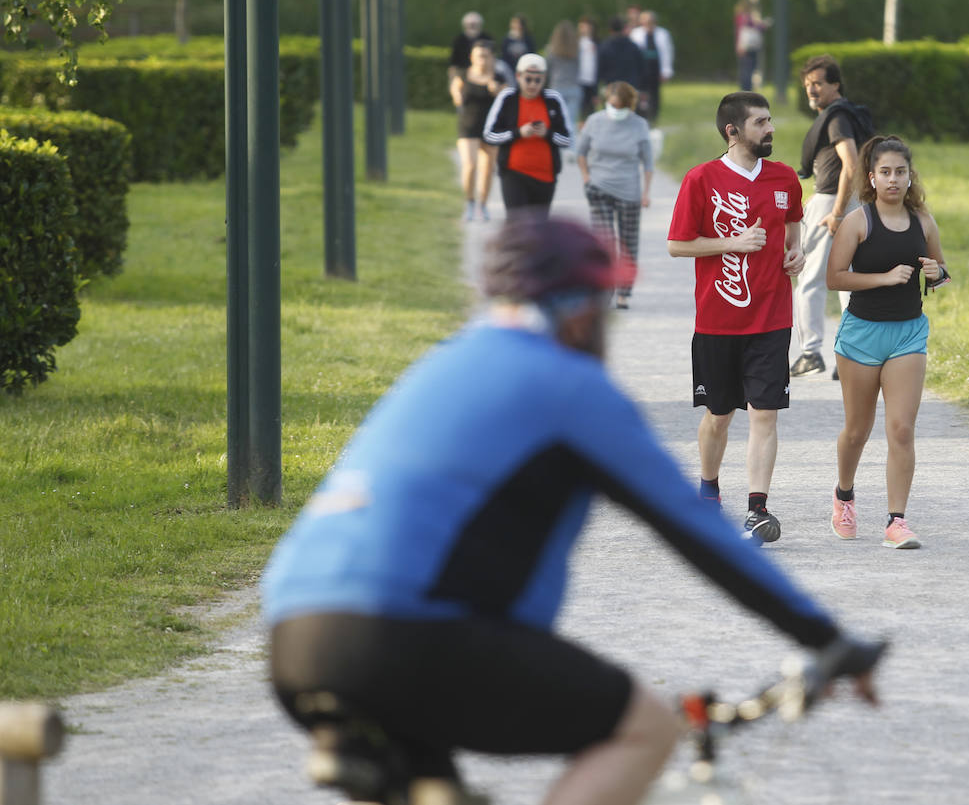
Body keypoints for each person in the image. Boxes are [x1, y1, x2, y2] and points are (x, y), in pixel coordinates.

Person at [262, 217, 883, 805]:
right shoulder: (567, 386)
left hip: (293, 637)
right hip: (407, 634)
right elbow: (695, 531)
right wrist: (826, 639)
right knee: (644, 728)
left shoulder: (443, 361)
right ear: (583, 310)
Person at [667, 92, 805, 543]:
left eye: (769, 120)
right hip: (717, 322)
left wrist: (796, 251)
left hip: (772, 318)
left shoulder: (785, 178)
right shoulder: (701, 179)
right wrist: (732, 243)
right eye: (760, 122)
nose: (770, 129)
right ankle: (708, 493)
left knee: (765, 415)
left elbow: (792, 223)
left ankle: (757, 510)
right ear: (732, 131)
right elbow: (677, 245)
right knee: (719, 415)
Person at [825, 135, 950, 550]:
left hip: (907, 333)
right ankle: (844, 496)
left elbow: (941, 270)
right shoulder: (858, 221)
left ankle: (897, 521)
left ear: (910, 176)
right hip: (862, 334)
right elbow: (834, 278)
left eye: (900, 172)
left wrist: (936, 273)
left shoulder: (923, 221)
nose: (893, 179)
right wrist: (883, 278)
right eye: (885, 172)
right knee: (857, 430)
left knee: (901, 428)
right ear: (872, 178)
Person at [791, 54, 865, 380]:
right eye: (808, 84)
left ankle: (810, 353)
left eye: (818, 83)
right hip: (851, 202)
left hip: (835, 206)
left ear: (835, 85)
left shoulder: (837, 118)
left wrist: (834, 212)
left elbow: (851, 164)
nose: (812, 90)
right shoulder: (847, 114)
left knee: (810, 280)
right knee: (848, 280)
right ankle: (850, 355)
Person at [578, 82, 653, 310]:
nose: (615, 110)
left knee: (628, 243)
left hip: (629, 192)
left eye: (620, 106)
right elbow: (581, 153)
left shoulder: (639, 125)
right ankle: (604, 291)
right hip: (599, 188)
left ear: (629, 105)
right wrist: (586, 179)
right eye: (612, 105)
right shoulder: (594, 121)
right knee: (603, 243)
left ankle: (624, 292)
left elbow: (648, 162)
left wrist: (646, 193)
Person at [483, 53, 573, 218]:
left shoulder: (553, 99)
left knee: (539, 227)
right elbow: (489, 135)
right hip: (514, 173)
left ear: (544, 79)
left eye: (538, 80)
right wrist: (518, 133)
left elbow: (568, 139)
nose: (533, 85)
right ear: (518, 76)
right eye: (528, 79)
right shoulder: (507, 97)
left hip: (545, 176)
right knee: (517, 224)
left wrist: (547, 133)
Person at [450, 40, 507, 222]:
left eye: (486, 56)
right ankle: (469, 202)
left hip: (491, 127)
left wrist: (496, 91)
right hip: (468, 125)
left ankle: (483, 204)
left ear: (492, 58)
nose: (482, 60)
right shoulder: (463, 75)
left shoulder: (498, 78)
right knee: (470, 165)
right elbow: (456, 92)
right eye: (478, 56)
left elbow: (507, 101)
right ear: (472, 57)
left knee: (488, 168)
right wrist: (457, 95)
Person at [629, 10, 674, 124]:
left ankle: (653, 116)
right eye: (645, 21)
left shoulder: (663, 34)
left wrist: (666, 71)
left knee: (654, 94)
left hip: (655, 68)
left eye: (650, 21)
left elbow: (667, 53)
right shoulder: (636, 34)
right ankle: (640, 115)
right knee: (640, 93)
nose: (648, 24)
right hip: (641, 68)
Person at [545, 19, 583, 126]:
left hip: (557, 87)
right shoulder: (577, 49)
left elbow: (548, 69)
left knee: (555, 122)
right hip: (573, 86)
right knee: (571, 122)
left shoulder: (551, 50)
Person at [598, 16, 646, 93]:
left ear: (610, 29)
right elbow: (642, 68)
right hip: (631, 87)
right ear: (623, 29)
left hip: (612, 87)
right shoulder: (633, 46)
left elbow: (600, 69)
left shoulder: (604, 47)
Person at [733, 0, 770, 91]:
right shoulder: (748, 17)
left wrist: (738, 45)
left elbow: (738, 32)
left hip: (742, 46)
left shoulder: (739, 17)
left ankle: (744, 88)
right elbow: (757, 28)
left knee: (744, 69)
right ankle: (747, 89)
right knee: (749, 69)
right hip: (749, 47)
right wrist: (764, 25)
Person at [447, 10, 492, 77]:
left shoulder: (487, 39)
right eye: (470, 24)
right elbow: (453, 62)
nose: (472, 27)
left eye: (475, 24)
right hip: (462, 71)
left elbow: (492, 58)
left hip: (483, 72)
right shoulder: (458, 40)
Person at [577, 16, 600, 123]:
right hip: (579, 79)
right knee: (581, 109)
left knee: (592, 109)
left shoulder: (597, 43)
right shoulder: (577, 42)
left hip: (592, 80)